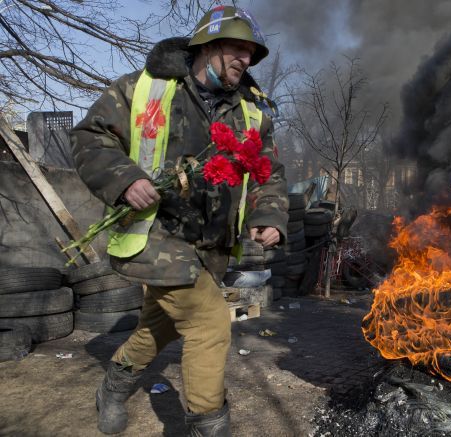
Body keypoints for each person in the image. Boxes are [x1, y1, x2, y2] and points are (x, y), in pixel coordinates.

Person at [70, 5, 288, 436]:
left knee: (160, 326)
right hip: (155, 234)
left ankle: (114, 385)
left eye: (252, 54)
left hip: (212, 245)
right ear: (207, 46)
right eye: (238, 49)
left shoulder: (251, 111)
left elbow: (269, 170)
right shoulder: (145, 88)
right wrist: (124, 178)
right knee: (209, 325)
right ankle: (207, 425)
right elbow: (89, 137)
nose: (246, 60)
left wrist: (269, 214)